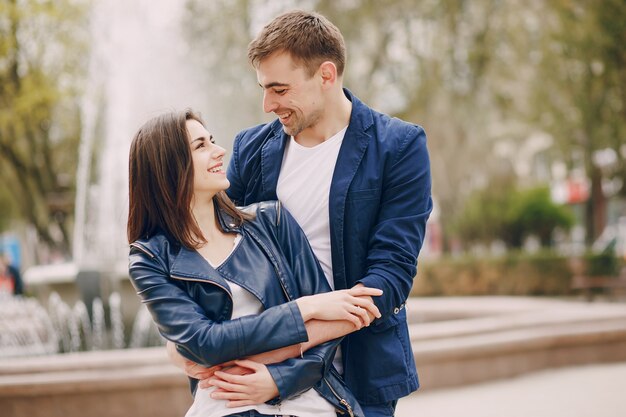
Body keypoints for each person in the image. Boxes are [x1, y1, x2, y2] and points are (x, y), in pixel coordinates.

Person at [222, 10, 433, 417]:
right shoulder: (249, 149)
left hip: (359, 373)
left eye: (280, 89)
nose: (268, 104)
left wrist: (288, 362)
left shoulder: (399, 147)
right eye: (264, 89)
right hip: (259, 367)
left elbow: (390, 274)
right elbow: (217, 253)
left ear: (326, 74)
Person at [127, 109, 384, 417]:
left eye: (212, 141)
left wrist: (279, 379)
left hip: (307, 402)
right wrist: (307, 308)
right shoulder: (149, 259)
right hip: (226, 405)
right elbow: (206, 343)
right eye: (200, 146)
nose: (219, 151)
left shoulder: (272, 221)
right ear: (167, 167)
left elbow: (331, 331)